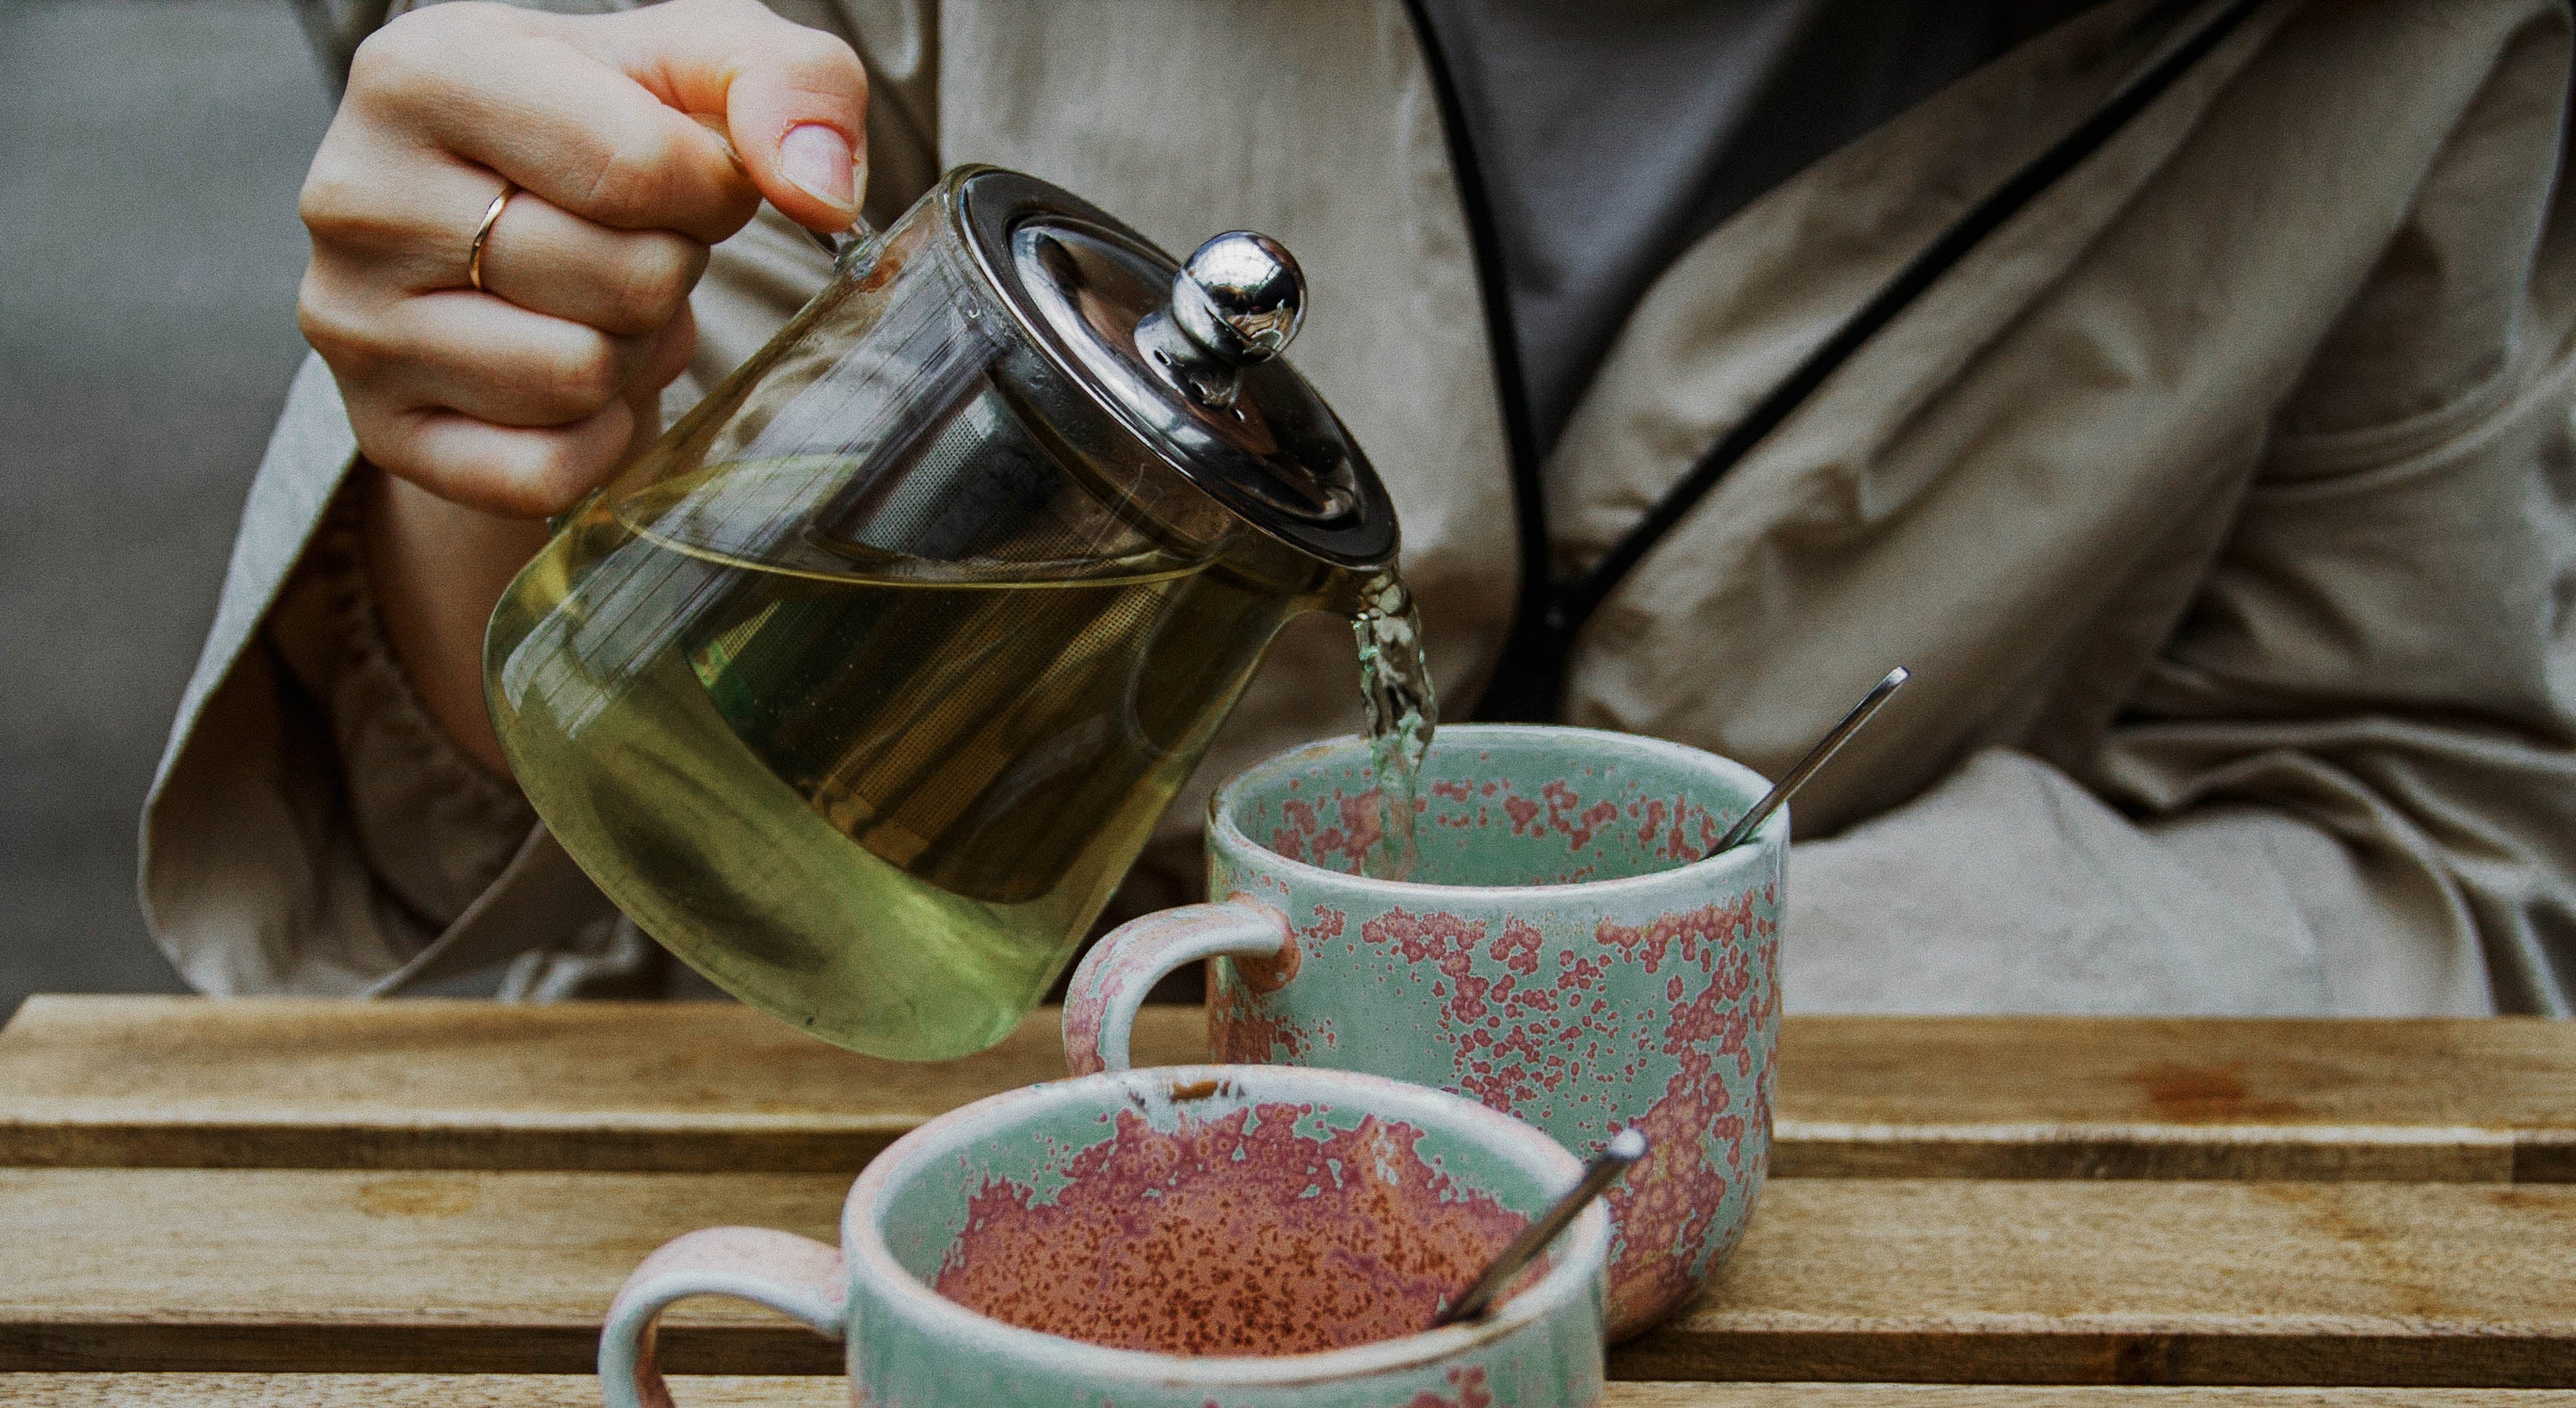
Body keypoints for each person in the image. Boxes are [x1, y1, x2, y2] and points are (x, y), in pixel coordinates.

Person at [145, 0, 2576, 1014]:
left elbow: (2410, 847)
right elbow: (568, 834)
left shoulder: (2415, 49)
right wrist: (501, 450)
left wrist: (1540, 996)